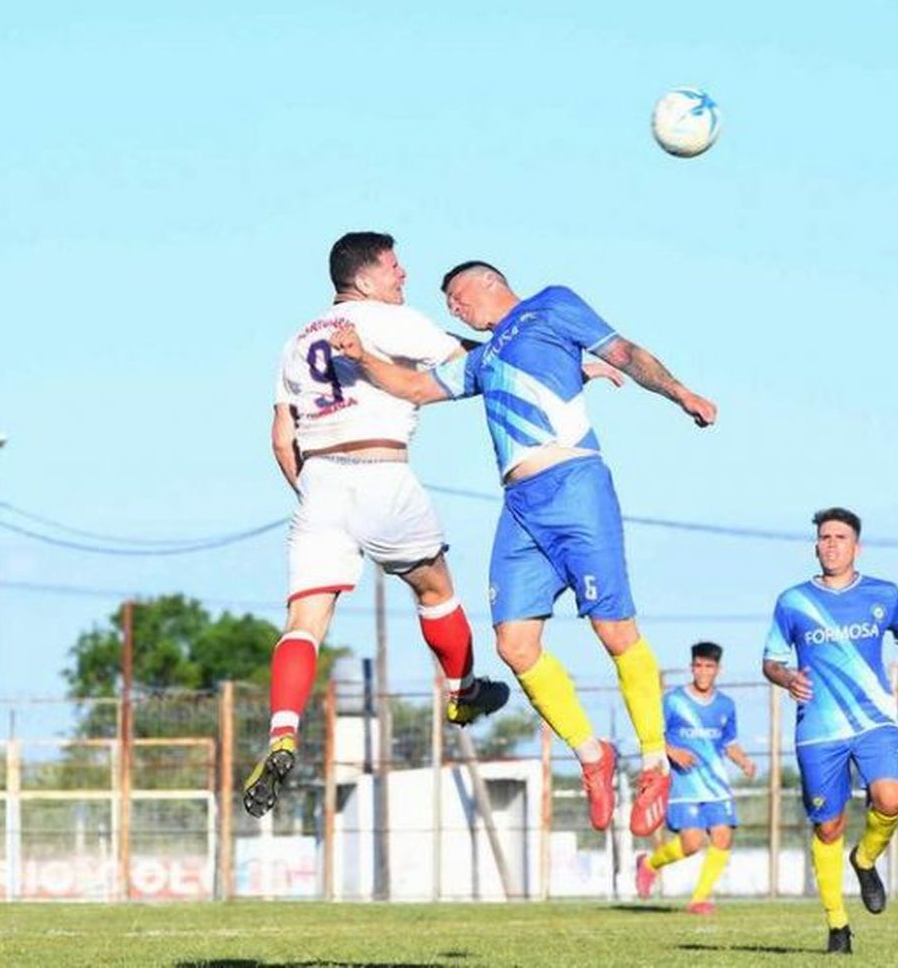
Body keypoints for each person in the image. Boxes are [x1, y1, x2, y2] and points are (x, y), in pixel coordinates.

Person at [329, 260, 717, 836]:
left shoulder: (552, 304)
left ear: (489, 282)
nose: (455, 310)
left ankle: (654, 761)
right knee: (513, 645)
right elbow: (415, 386)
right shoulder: (482, 360)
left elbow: (626, 352)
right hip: (520, 507)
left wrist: (679, 391)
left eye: (458, 297)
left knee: (613, 632)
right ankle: (593, 755)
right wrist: (360, 356)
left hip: (577, 488)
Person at [243, 233, 517, 819]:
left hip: (319, 482)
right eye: (394, 267)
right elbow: (479, 359)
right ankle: (462, 695)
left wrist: (318, 493)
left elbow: (279, 438)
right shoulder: (390, 321)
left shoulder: (295, 342)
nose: (403, 276)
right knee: (436, 588)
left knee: (303, 623)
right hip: (382, 470)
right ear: (364, 281)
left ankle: (283, 734)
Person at [762, 508, 898, 955]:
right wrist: (786, 678)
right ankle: (838, 926)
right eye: (824, 537)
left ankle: (864, 860)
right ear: (816, 546)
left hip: (874, 720)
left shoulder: (884, 593)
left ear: (855, 546)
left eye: (840, 537)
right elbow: (770, 660)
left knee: (892, 796)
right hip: (818, 728)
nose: (831, 544)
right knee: (828, 826)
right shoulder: (793, 601)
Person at [636, 642, 756, 913]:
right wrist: (672, 751)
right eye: (698, 666)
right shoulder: (673, 701)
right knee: (692, 843)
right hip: (683, 783)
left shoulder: (725, 705)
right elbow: (652, 736)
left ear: (718, 669)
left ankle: (699, 899)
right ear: (692, 667)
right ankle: (648, 865)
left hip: (716, 784)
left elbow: (729, 743)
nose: (703, 671)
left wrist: (744, 762)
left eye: (709, 666)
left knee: (723, 837)